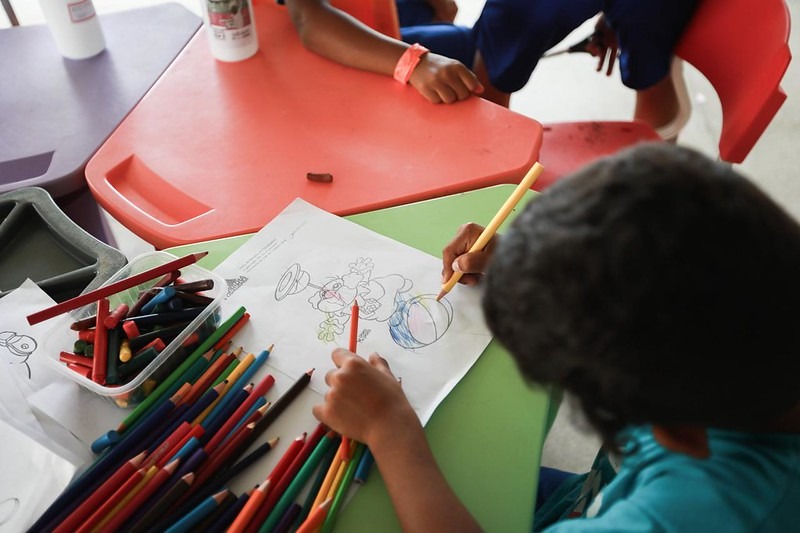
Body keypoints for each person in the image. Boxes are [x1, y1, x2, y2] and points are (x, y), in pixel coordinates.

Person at [312, 143, 800, 531]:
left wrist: (392, 432)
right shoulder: (755, 325)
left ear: (675, 430)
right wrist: (539, 269)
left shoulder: (684, 518)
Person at [283, 0, 484, 104]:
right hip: (334, 31)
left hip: (382, 11)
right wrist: (413, 63)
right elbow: (309, 21)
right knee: (463, 42)